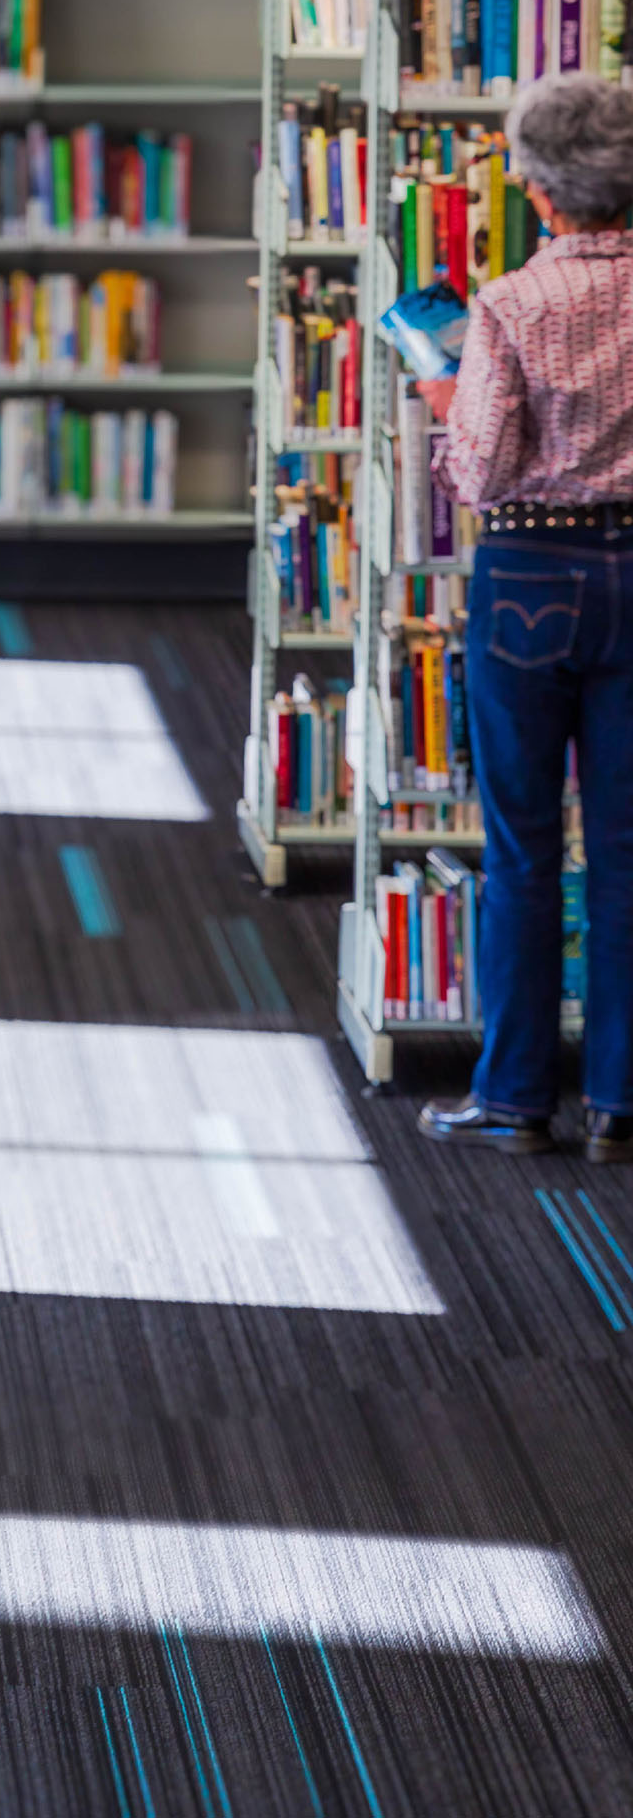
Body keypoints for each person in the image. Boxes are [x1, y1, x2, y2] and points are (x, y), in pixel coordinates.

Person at [418, 75, 633, 1162]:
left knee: (521, 848)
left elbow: (480, 471)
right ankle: (621, 1105)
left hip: (531, 576)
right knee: (630, 850)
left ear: (543, 193)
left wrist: (446, 405)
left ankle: (512, 1099)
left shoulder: (508, 303)